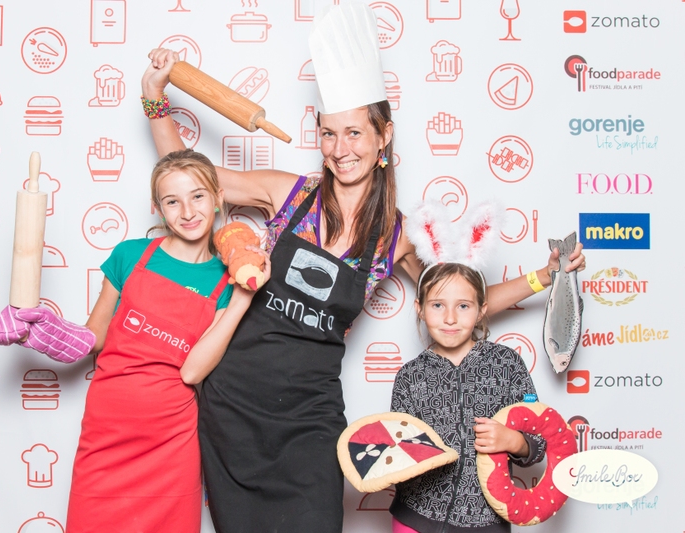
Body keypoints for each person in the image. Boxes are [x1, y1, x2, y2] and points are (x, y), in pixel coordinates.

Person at [141, 4, 583, 531]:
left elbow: (464, 298)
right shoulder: (288, 195)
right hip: (232, 402)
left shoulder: (398, 236)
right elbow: (187, 179)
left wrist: (544, 275)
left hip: (309, 414)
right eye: (329, 134)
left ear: (383, 136)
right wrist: (154, 98)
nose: (339, 148)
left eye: (354, 133)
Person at [0, 149, 270, 533]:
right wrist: (40, 331)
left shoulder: (227, 279)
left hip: (171, 441)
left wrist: (242, 299)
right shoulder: (131, 255)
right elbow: (95, 336)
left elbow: (193, 371)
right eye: (172, 201)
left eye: (198, 196)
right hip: (108, 430)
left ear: (219, 197)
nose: (187, 211)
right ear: (158, 208)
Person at [389, 262, 543, 533]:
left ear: (481, 310)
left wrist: (514, 440)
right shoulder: (409, 376)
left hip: (487, 520)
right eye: (438, 305)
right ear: (420, 309)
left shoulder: (506, 364)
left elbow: (539, 441)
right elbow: (398, 449)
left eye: (463, 306)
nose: (450, 318)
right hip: (416, 517)